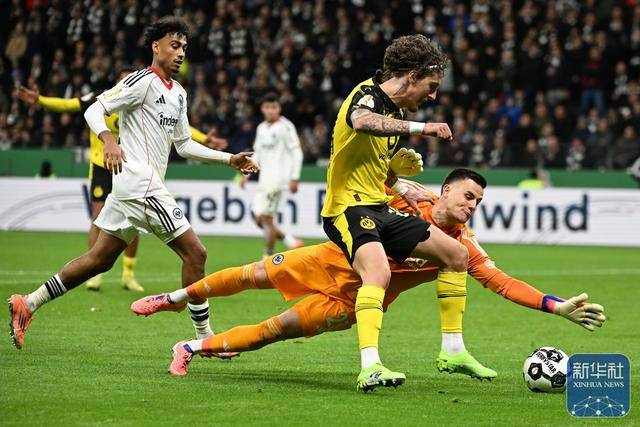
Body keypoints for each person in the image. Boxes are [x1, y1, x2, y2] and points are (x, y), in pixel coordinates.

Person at [130, 169, 605, 383]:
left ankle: (189, 348)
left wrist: (555, 305)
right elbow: (362, 178)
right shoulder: (406, 201)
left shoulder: (460, 249)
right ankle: (175, 297)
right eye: (467, 195)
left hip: (352, 302)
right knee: (249, 274)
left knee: (273, 331)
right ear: (445, 191)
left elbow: (503, 283)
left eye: (478, 201)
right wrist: (395, 178)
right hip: (330, 259)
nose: (472, 205)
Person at [8, 16, 259, 350]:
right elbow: (93, 111)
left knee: (99, 259)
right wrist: (109, 140)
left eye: (184, 47)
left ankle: (29, 302)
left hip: (133, 187)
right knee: (196, 253)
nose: (180, 53)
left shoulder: (179, 94)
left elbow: (184, 145)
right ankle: (205, 338)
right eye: (174, 45)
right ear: (156, 47)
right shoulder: (141, 81)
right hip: (140, 183)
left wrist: (229, 159)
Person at [320, 34, 466, 391]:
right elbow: (361, 122)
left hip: (379, 205)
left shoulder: (396, 111)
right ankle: (370, 367)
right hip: (347, 207)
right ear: (412, 76)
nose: (433, 96)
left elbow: (373, 158)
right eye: (431, 86)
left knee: (456, 255)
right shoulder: (367, 96)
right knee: (378, 272)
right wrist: (424, 129)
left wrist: (399, 186)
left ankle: (453, 351)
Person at [13, 70, 225, 292]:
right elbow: (70, 105)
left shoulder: (142, 98)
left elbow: (176, 127)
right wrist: (40, 100)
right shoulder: (102, 98)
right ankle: (94, 275)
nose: (127, 81)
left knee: (134, 221)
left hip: (127, 167)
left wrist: (205, 139)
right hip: (102, 166)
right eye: (123, 78)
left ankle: (128, 274)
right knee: (98, 220)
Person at [240, 92, 304, 259]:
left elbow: (297, 152)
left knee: (266, 219)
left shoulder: (286, 127)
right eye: (267, 107)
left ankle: (267, 258)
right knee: (258, 217)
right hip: (264, 181)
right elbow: (257, 154)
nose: (270, 110)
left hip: (278, 180)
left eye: (274, 107)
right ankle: (289, 241)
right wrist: (246, 175)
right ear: (262, 109)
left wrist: (295, 177)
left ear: (279, 108)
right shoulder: (261, 128)